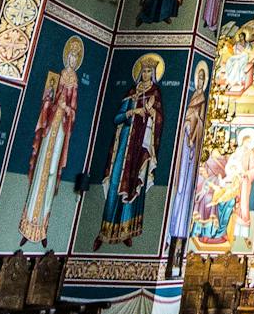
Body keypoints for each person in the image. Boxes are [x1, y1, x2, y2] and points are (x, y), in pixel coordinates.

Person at [96, 54, 166, 249]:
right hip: (124, 142)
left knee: (135, 184)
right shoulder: (131, 92)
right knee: (115, 183)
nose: (145, 74)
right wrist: (132, 112)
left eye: (148, 72)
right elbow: (117, 117)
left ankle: (128, 229)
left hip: (140, 145)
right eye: (143, 71)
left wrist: (152, 113)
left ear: (153, 74)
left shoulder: (155, 94)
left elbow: (159, 119)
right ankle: (105, 230)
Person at [19, 39, 83, 247]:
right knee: (40, 172)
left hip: (61, 131)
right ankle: (27, 224)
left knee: (53, 173)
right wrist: (52, 102)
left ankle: (42, 226)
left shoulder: (75, 83)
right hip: (49, 128)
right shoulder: (57, 78)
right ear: (67, 57)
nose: (72, 59)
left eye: (75, 56)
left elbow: (73, 111)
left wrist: (66, 109)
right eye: (70, 56)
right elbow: (47, 98)